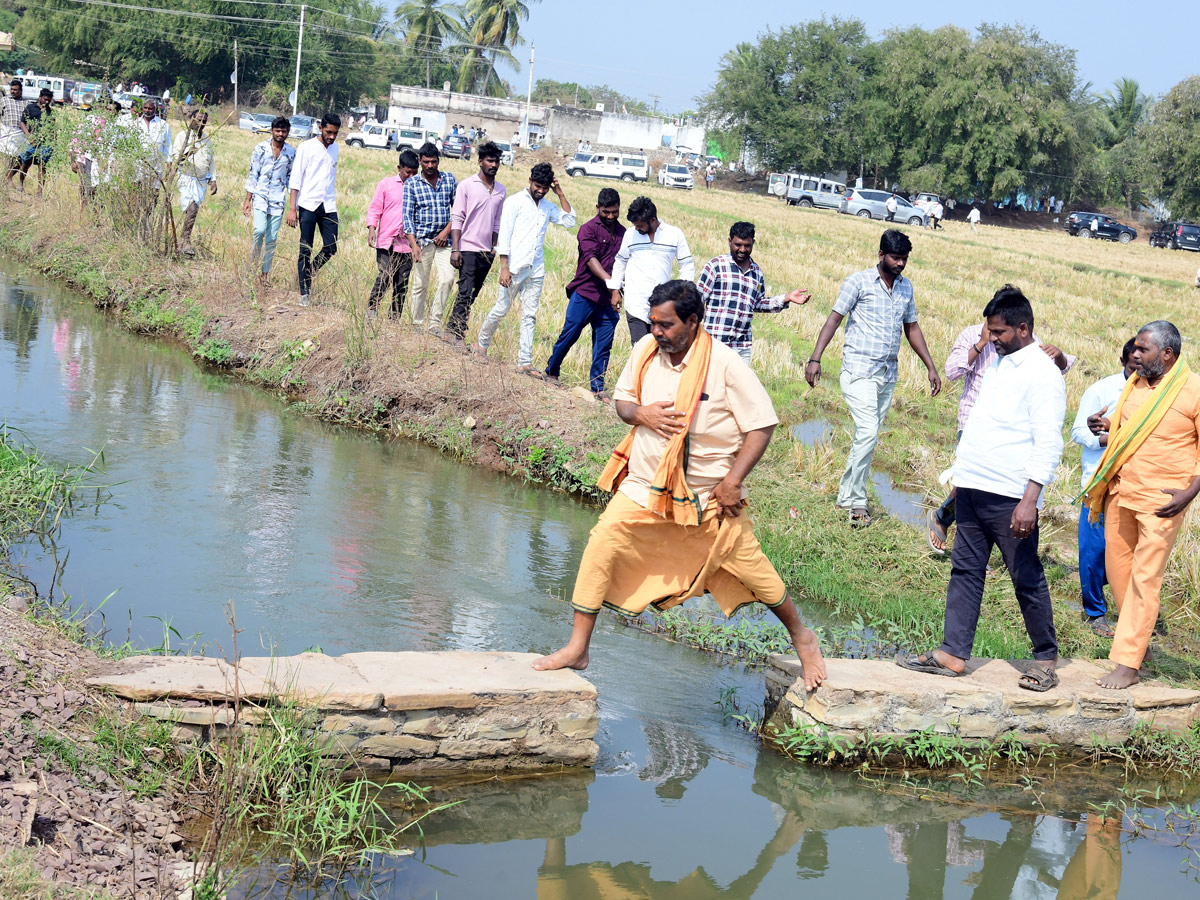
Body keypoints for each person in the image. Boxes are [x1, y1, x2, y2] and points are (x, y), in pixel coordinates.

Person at [530, 280, 827, 691]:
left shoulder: (724, 365)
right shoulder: (645, 352)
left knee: (755, 572)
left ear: (693, 321)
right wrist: (642, 414)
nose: (656, 332)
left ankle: (802, 637)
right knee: (602, 542)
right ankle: (578, 647)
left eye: (665, 325)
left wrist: (733, 481)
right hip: (644, 487)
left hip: (708, 498)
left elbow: (762, 424)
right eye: (653, 323)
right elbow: (622, 403)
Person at [899, 286, 1066, 691]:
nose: (991, 339)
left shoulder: (1043, 373)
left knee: (1025, 575)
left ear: (1023, 328)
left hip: (1010, 496)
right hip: (973, 487)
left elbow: (1048, 441)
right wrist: (960, 479)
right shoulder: (1002, 363)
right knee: (966, 571)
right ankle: (953, 653)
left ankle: (1045, 659)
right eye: (990, 332)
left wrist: (1030, 500)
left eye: (998, 333)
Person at [1080, 320, 1200, 690]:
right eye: (1134, 347)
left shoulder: (1193, 390)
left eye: (1142, 349)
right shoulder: (1135, 384)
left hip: (1162, 502)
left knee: (1145, 578)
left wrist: (1190, 492)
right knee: (1119, 575)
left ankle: (1128, 664)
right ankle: (1138, 639)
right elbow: (1130, 426)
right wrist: (1102, 425)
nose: (1134, 354)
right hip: (1121, 493)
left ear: (1167, 354)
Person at [804, 229, 941, 526]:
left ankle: (845, 495)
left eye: (904, 258)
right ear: (881, 255)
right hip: (858, 370)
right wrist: (815, 358)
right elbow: (834, 319)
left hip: (887, 373)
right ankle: (858, 501)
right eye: (895, 257)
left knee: (867, 437)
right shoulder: (858, 282)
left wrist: (930, 366)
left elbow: (912, 328)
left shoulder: (906, 288)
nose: (900, 264)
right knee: (867, 432)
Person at [928, 313, 1073, 554]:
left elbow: (1060, 368)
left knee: (996, 492)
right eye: (992, 328)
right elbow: (952, 371)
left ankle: (978, 550)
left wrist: (1060, 357)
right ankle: (945, 520)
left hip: (1009, 431)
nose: (996, 336)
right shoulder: (972, 334)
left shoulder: (1022, 341)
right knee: (968, 485)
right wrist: (981, 344)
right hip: (974, 422)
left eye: (1000, 330)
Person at [473, 162, 575, 374]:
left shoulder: (547, 206)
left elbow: (570, 221)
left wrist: (560, 193)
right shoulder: (515, 202)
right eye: (537, 185)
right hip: (514, 268)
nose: (540, 190)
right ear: (530, 181)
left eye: (545, 188)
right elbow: (505, 235)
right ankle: (480, 345)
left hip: (535, 270)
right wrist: (504, 267)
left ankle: (524, 362)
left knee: (529, 315)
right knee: (501, 309)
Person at [1070, 339, 1138, 637]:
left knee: (1128, 551)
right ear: (1123, 361)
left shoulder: (1157, 395)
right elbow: (1078, 431)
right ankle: (1095, 612)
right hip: (1099, 483)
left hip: (1136, 485)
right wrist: (1110, 439)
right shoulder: (1101, 391)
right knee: (1094, 551)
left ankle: (1129, 610)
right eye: (1134, 364)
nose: (1140, 370)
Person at [543, 187, 625, 397]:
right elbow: (591, 260)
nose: (610, 216)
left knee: (604, 345)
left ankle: (597, 389)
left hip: (609, 300)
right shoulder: (587, 229)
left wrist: (619, 289)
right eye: (606, 211)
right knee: (569, 335)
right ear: (597, 207)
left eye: (614, 212)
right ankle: (551, 372)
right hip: (585, 293)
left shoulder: (625, 233)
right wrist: (612, 283)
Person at [698, 221, 810, 365]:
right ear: (729, 242)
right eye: (738, 244)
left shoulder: (757, 272)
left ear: (753, 244)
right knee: (710, 387)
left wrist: (786, 298)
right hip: (714, 343)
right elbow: (697, 299)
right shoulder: (715, 266)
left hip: (742, 348)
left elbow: (758, 303)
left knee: (740, 387)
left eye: (747, 245)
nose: (742, 250)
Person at [608, 197, 694, 344]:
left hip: (663, 306)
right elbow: (620, 260)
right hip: (635, 303)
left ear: (653, 220)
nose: (637, 228)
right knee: (640, 350)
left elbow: (687, 264)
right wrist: (615, 289)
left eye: (640, 225)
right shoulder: (630, 234)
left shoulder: (674, 234)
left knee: (661, 351)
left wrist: (682, 292)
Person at [446, 140, 506, 344]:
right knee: (465, 290)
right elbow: (457, 218)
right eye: (490, 161)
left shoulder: (501, 190)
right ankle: (456, 333)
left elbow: (497, 222)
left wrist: (493, 248)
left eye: (497, 161)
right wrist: (456, 249)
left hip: (486, 252)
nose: (494, 165)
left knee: (473, 294)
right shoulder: (466, 185)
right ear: (480, 161)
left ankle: (452, 329)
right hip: (468, 247)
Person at [403, 141, 457, 335]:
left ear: (438, 161)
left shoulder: (449, 180)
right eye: (426, 162)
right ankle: (416, 324)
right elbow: (407, 216)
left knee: (447, 279)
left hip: (445, 241)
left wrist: (446, 231)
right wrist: (413, 244)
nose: (430, 166)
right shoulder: (412, 184)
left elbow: (458, 211)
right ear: (420, 161)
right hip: (422, 241)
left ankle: (434, 324)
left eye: (434, 162)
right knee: (420, 284)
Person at [287, 112, 341, 307]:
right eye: (329, 132)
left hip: (328, 204)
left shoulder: (335, 149)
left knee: (331, 246)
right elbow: (295, 179)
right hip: (308, 204)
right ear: (320, 128)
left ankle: (309, 271)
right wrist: (292, 208)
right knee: (305, 248)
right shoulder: (306, 147)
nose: (332, 137)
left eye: (335, 133)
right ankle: (304, 292)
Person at [365, 148, 419, 320]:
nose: (411, 176)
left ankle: (394, 318)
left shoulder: (419, 189)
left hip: (407, 245)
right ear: (399, 168)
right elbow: (375, 209)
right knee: (385, 275)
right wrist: (372, 229)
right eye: (408, 172)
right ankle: (372, 308)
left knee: (401, 283)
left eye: (414, 173)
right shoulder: (386, 185)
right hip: (387, 241)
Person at [243, 116, 295, 286]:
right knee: (259, 230)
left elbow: (291, 180)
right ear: (272, 130)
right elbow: (253, 173)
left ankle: (264, 275)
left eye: (284, 131)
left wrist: (293, 207)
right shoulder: (260, 148)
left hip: (278, 200)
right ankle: (251, 268)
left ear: (288, 132)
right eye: (278, 130)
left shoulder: (291, 152)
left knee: (272, 238)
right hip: (261, 195)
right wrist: (247, 199)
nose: (280, 134)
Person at [170, 109, 217, 257]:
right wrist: (187, 153)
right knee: (192, 208)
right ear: (191, 119)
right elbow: (175, 158)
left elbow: (211, 161)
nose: (201, 123)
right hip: (186, 176)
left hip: (201, 180)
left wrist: (213, 179)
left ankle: (183, 240)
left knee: (193, 210)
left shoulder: (207, 140)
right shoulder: (183, 136)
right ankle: (186, 241)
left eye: (204, 121)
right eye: (198, 119)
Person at [17, 88, 55, 195]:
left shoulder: (50, 112)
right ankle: (20, 184)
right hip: (31, 141)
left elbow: (53, 128)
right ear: (40, 97)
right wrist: (29, 136)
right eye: (45, 99)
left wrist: (53, 143)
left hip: (45, 143)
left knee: (42, 166)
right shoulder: (30, 107)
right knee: (25, 163)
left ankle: (39, 191)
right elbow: (22, 123)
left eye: (49, 100)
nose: (47, 102)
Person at [1, 80, 30, 186]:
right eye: (11, 89)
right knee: (8, 156)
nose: (13, 92)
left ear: (21, 91)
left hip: (21, 133)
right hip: (7, 131)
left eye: (15, 90)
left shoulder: (26, 103)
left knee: (20, 158)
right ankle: (7, 179)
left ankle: (8, 177)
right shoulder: (4, 101)